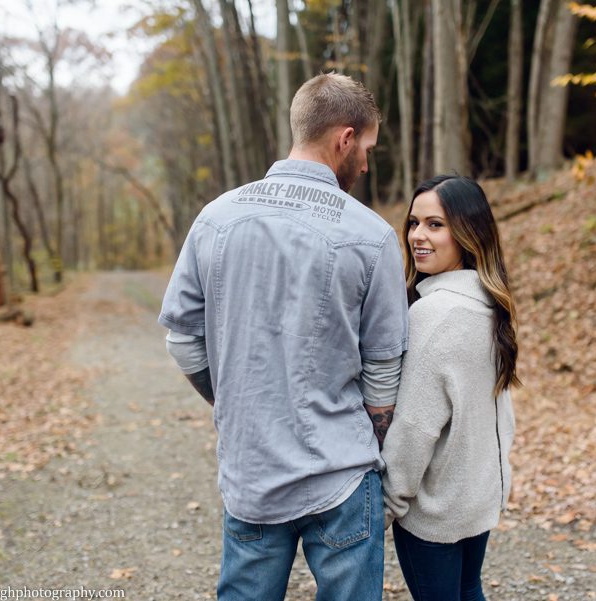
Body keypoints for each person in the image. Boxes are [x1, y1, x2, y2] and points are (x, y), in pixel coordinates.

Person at [158, 73, 409, 601]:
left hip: (252, 470)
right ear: (344, 138)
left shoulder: (215, 219)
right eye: (366, 148)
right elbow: (385, 365)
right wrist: (373, 435)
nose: (365, 163)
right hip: (340, 473)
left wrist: (229, 397)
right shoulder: (371, 235)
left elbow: (181, 337)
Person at [381, 175, 520, 601]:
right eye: (414, 222)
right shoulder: (489, 303)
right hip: (477, 498)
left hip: (437, 511)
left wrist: (387, 504)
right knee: (469, 590)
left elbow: (415, 427)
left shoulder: (435, 315)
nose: (418, 236)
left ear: (467, 233)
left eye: (435, 224)